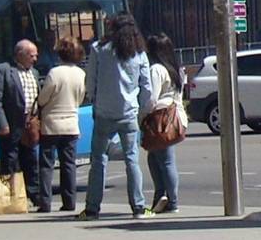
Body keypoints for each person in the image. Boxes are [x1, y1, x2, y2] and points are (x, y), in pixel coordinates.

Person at [82, 13, 154, 219]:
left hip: (104, 112)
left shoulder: (98, 49)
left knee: (98, 160)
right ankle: (138, 207)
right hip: (129, 112)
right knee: (132, 160)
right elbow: (146, 87)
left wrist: (95, 100)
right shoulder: (139, 53)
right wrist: (143, 109)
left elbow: (91, 81)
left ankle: (92, 208)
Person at [33, 35, 86, 215]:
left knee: (46, 164)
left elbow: (43, 98)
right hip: (71, 124)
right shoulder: (81, 74)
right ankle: (69, 201)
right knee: (69, 164)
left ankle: (45, 202)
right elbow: (80, 99)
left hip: (51, 124)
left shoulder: (55, 73)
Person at [0, 39, 43, 210]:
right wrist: (2, 124)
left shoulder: (34, 72)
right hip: (11, 124)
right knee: (10, 161)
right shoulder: (3, 70)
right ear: (20, 54)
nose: (35, 59)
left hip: (29, 125)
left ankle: (33, 194)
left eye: (36, 56)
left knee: (31, 161)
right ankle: (12, 196)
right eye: (32, 55)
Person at [143, 32, 185, 215]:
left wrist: (141, 115)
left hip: (161, 120)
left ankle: (172, 201)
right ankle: (161, 196)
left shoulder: (157, 70)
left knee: (165, 161)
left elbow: (151, 99)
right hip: (175, 117)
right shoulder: (176, 68)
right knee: (156, 158)